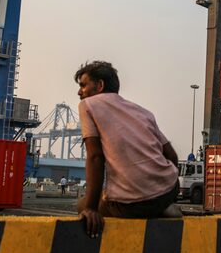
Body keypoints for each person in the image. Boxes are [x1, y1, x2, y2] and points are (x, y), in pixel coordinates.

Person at [74, 61, 180, 237]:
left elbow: (95, 157)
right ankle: (162, 208)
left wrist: (91, 209)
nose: (79, 92)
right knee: (152, 201)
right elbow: (171, 155)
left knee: (81, 205)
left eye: (83, 85)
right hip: (170, 189)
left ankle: (151, 208)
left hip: (130, 205)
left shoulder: (88, 105)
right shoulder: (143, 112)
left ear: (100, 85)